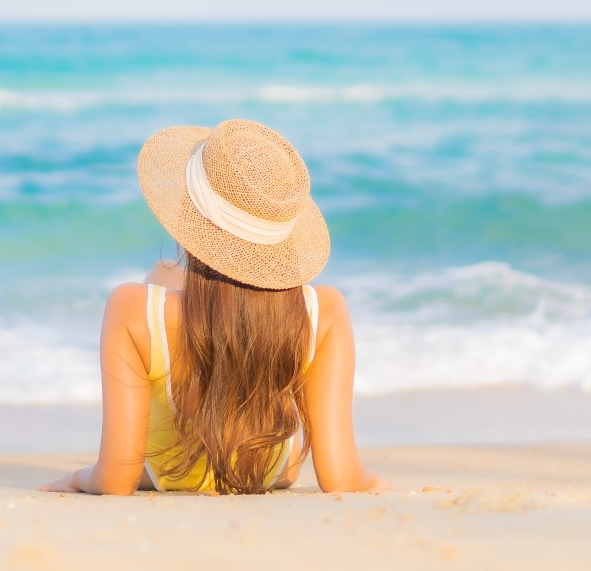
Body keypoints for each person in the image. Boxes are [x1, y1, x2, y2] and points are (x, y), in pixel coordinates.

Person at [40, 119, 388, 495]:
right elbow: (341, 477)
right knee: (170, 275)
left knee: (162, 279)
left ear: (190, 215)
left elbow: (115, 479)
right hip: (269, 471)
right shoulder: (326, 311)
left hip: (167, 472)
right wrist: (372, 480)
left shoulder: (129, 307)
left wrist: (78, 477)